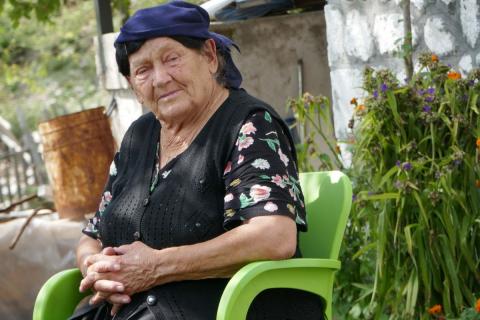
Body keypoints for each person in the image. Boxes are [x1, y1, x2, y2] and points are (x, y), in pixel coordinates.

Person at [72, 1, 325, 319]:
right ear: (132, 86)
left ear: (209, 55)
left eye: (172, 59)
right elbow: (91, 236)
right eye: (143, 70)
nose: (160, 78)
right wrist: (97, 269)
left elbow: (274, 236)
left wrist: (156, 267)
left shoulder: (248, 125)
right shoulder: (139, 136)